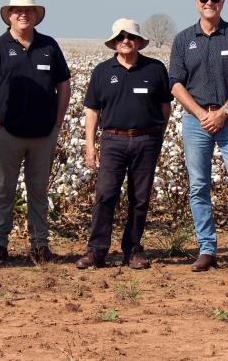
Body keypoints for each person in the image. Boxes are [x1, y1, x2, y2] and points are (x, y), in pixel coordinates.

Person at [168, 0, 228, 275]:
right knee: (198, 186)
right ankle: (207, 248)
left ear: (222, 2)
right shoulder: (183, 40)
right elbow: (176, 83)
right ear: (196, 2)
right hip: (196, 121)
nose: (209, 2)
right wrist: (200, 112)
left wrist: (224, 112)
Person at [76, 19, 172, 269]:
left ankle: (133, 249)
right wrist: (90, 145)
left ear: (139, 41)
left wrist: (156, 136)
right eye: (120, 37)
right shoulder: (102, 71)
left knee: (140, 198)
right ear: (114, 43)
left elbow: (165, 106)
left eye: (130, 37)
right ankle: (96, 250)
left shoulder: (155, 69)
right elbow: (93, 111)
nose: (125, 41)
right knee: (105, 195)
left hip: (146, 139)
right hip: (113, 140)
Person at [0, 0, 71, 264]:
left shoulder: (49, 46)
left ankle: (39, 245)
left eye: (28, 10)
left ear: (36, 15)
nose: (23, 14)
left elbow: (64, 84)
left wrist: (58, 121)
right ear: (9, 15)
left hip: (44, 132)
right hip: (7, 132)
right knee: (3, 189)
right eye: (17, 10)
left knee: (39, 190)